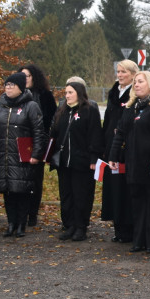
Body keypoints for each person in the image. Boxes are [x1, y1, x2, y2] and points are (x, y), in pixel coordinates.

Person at [110, 71, 150, 253]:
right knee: (137, 204)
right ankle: (139, 240)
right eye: (135, 82)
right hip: (134, 164)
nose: (136, 85)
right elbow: (120, 133)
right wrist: (113, 156)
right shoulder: (131, 107)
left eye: (140, 82)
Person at [0, 72, 46, 237]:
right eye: (6, 85)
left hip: (22, 156)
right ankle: (11, 223)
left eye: (12, 85)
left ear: (20, 87)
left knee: (21, 190)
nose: (8, 88)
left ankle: (21, 224)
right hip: (3, 156)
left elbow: (38, 132)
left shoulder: (31, 106)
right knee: (7, 191)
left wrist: (36, 154)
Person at [49, 81, 103, 241]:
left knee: (81, 196)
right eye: (66, 93)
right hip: (64, 162)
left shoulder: (89, 111)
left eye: (70, 92)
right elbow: (55, 133)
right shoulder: (62, 111)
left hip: (82, 162)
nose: (67, 96)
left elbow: (95, 135)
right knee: (67, 195)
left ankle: (81, 226)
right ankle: (69, 225)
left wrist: (94, 157)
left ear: (79, 93)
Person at [100, 60, 140, 242]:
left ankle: (129, 229)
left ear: (133, 74)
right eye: (118, 71)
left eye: (124, 72)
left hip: (127, 149)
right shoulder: (114, 92)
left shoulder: (135, 94)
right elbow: (108, 121)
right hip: (112, 147)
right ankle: (118, 227)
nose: (120, 75)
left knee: (125, 190)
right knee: (114, 189)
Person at [19, 64, 56, 228]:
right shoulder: (16, 95)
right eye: (22, 76)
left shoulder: (45, 95)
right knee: (20, 179)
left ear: (34, 77)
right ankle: (21, 212)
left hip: (39, 141)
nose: (24, 79)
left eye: (27, 76)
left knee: (35, 180)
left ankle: (33, 214)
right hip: (19, 141)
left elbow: (52, 118)